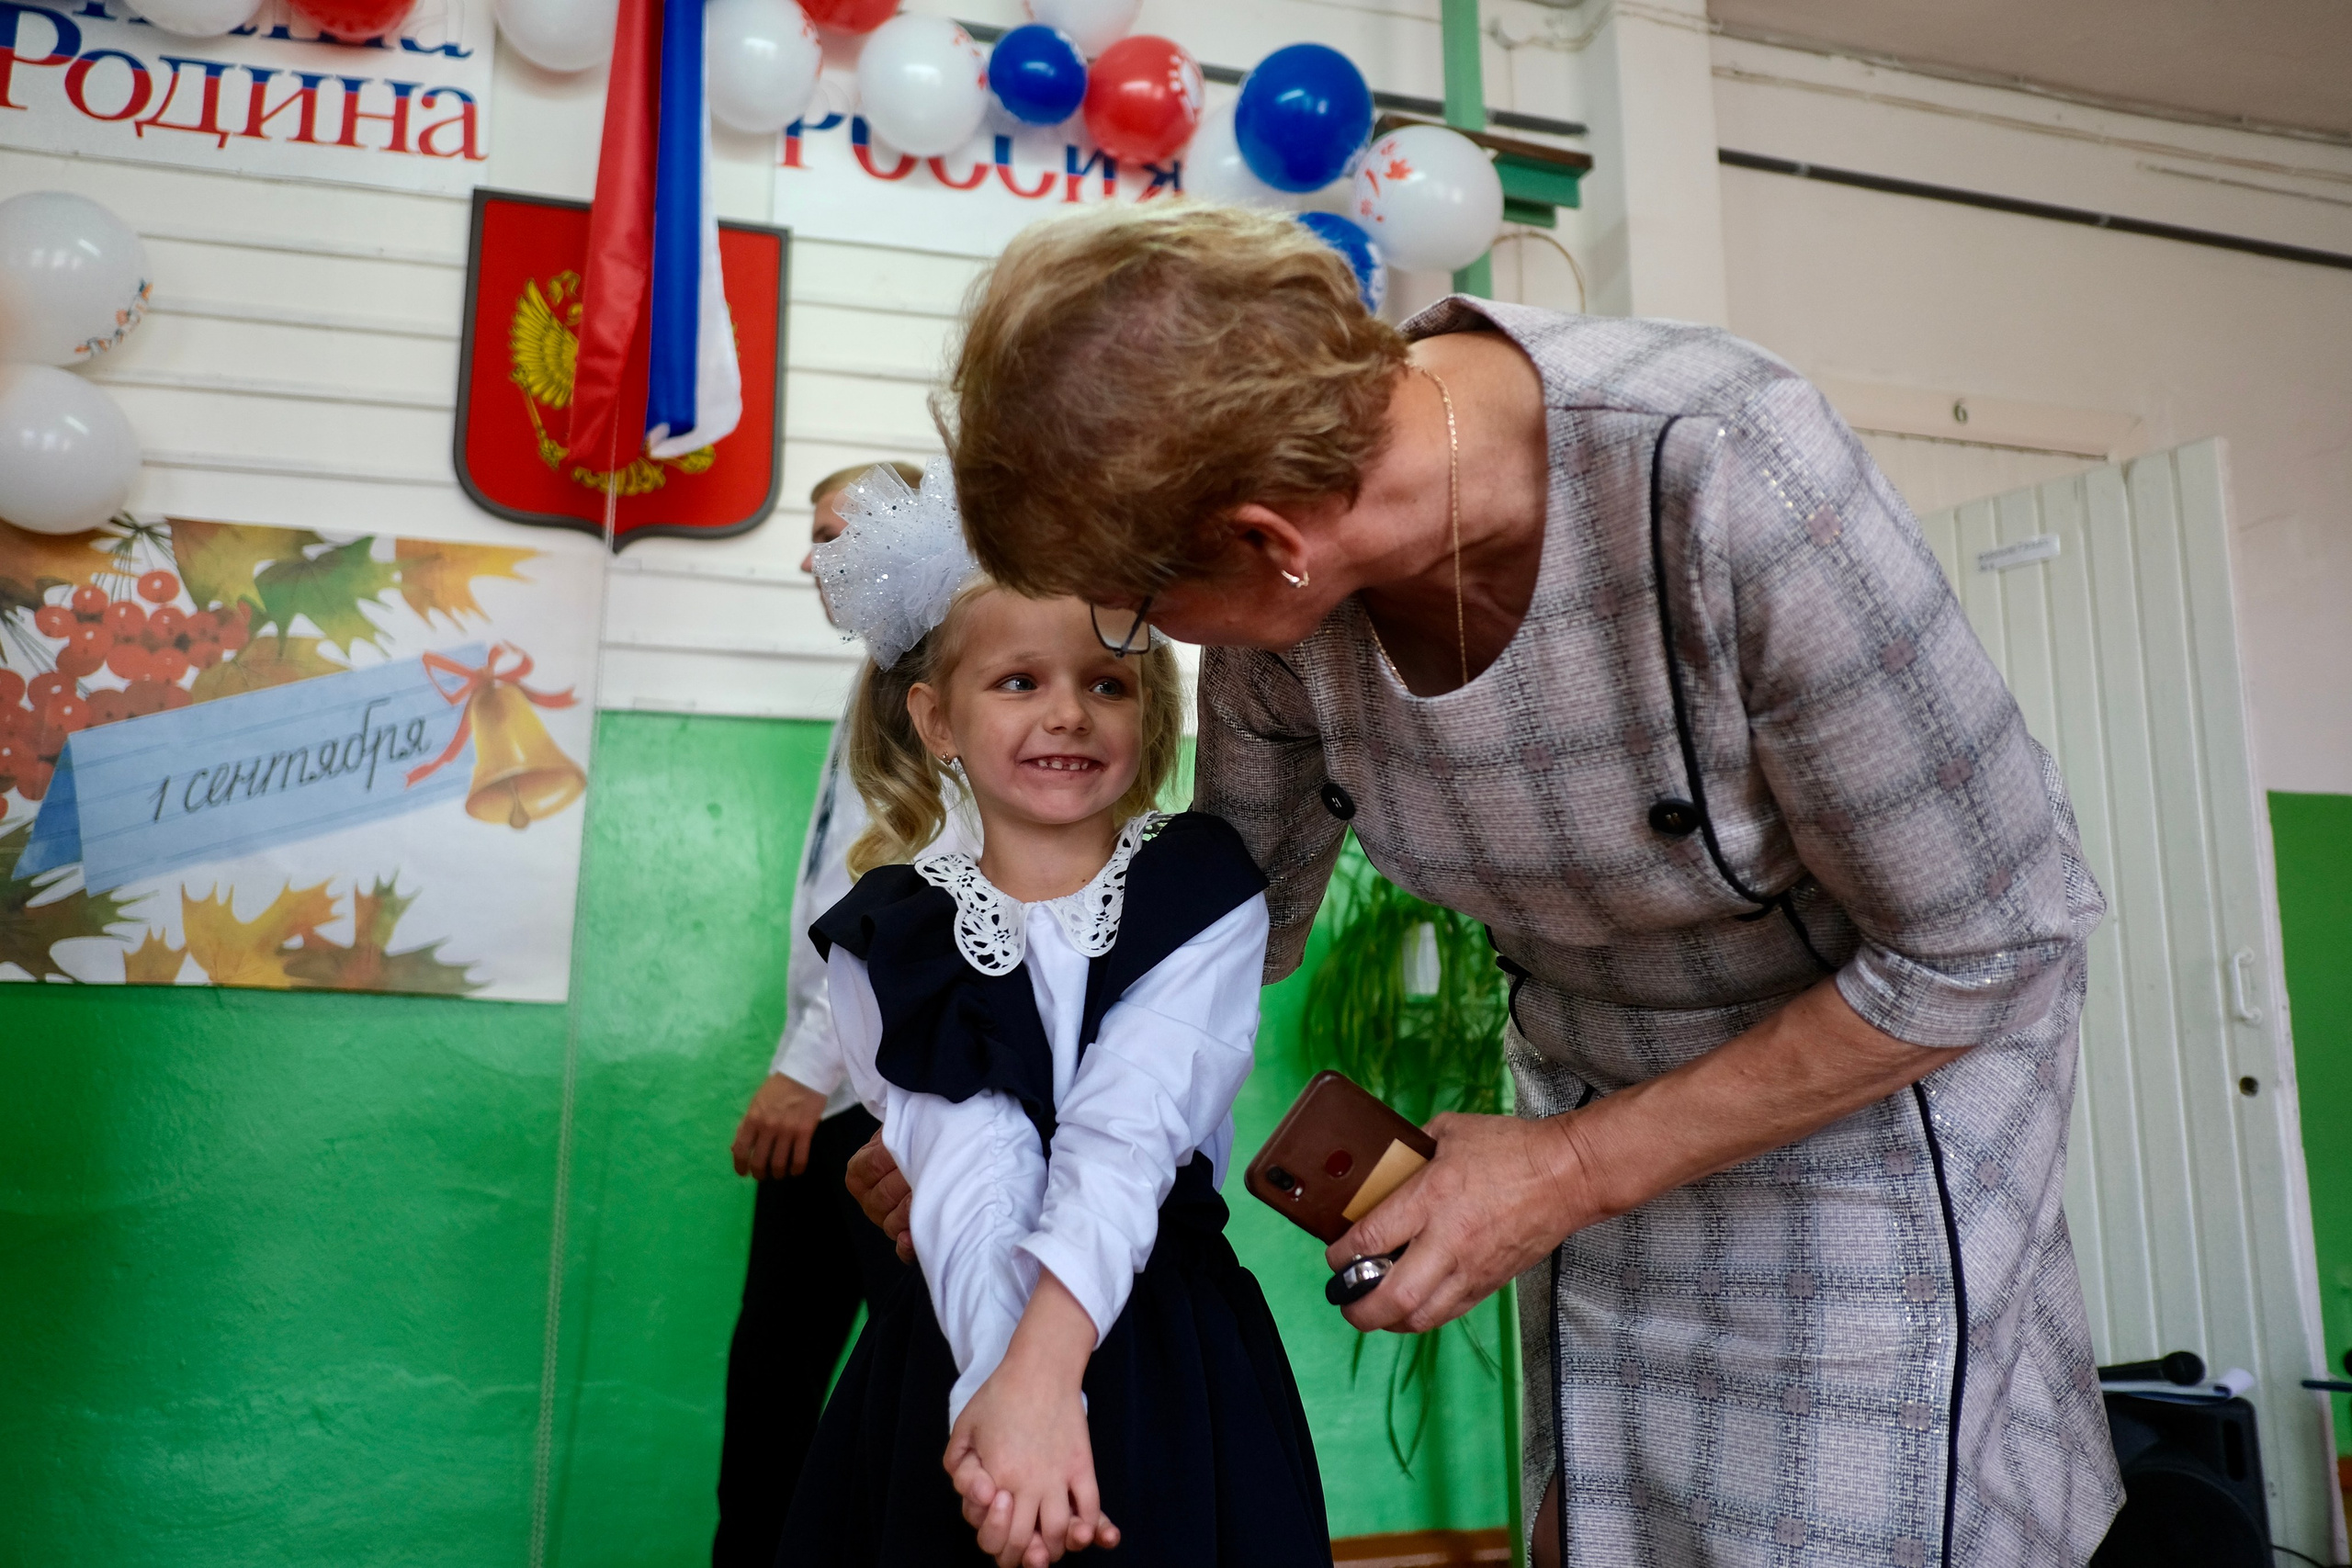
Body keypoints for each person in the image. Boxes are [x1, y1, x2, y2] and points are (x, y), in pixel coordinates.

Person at [856, 202, 2124, 1567]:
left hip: (1867, 1100)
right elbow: (1219, 934)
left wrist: (1575, 1167)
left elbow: (1991, 939)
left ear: (1265, 536)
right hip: (1568, 1111)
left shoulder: (1728, 473)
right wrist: (989, 1116)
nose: (1140, 637)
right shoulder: (1285, 638)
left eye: (1132, 609)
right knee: (1611, 1523)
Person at [779, 462, 1329, 1568]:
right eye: (1018, 682)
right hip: (957, 1338)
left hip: (1159, 1343)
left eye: (1107, 684)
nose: (1067, 711)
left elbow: (1127, 1133)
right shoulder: (886, 934)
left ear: (1150, 708)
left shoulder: (1203, 885)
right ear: (936, 718)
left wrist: (1048, 1379)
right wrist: (1008, 1401)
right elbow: (965, 1164)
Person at [711, 459, 936, 1568]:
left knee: (889, 1388)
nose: (808, 557)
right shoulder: (878, 681)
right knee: (772, 1395)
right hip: (837, 1085)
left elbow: (897, 893)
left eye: (833, 532)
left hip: (879, 1099)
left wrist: (806, 1069)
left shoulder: (940, 677)